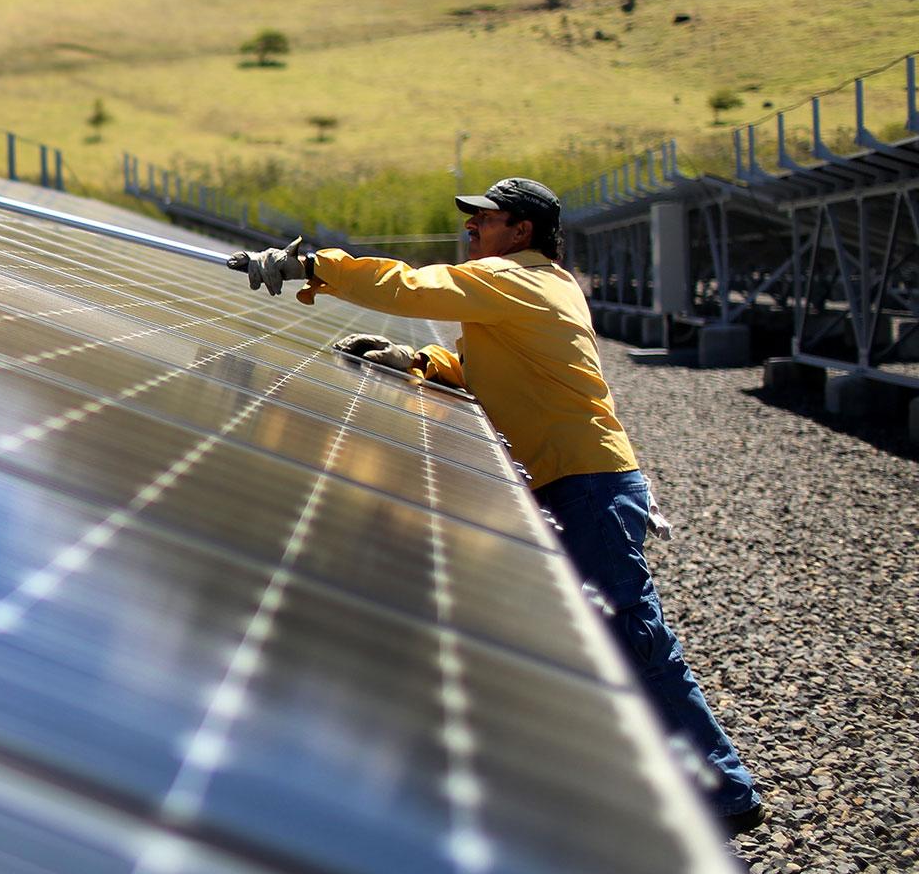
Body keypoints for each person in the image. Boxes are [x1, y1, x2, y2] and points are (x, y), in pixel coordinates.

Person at [228, 177, 765, 836]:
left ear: (523, 231)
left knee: (635, 639)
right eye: (472, 219)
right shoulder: (535, 287)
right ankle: (649, 777)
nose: (471, 228)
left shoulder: (519, 280)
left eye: (487, 218)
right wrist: (421, 360)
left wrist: (310, 266)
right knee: (590, 639)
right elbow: (499, 369)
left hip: (587, 483)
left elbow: (409, 286)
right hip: (579, 481)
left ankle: (726, 786)